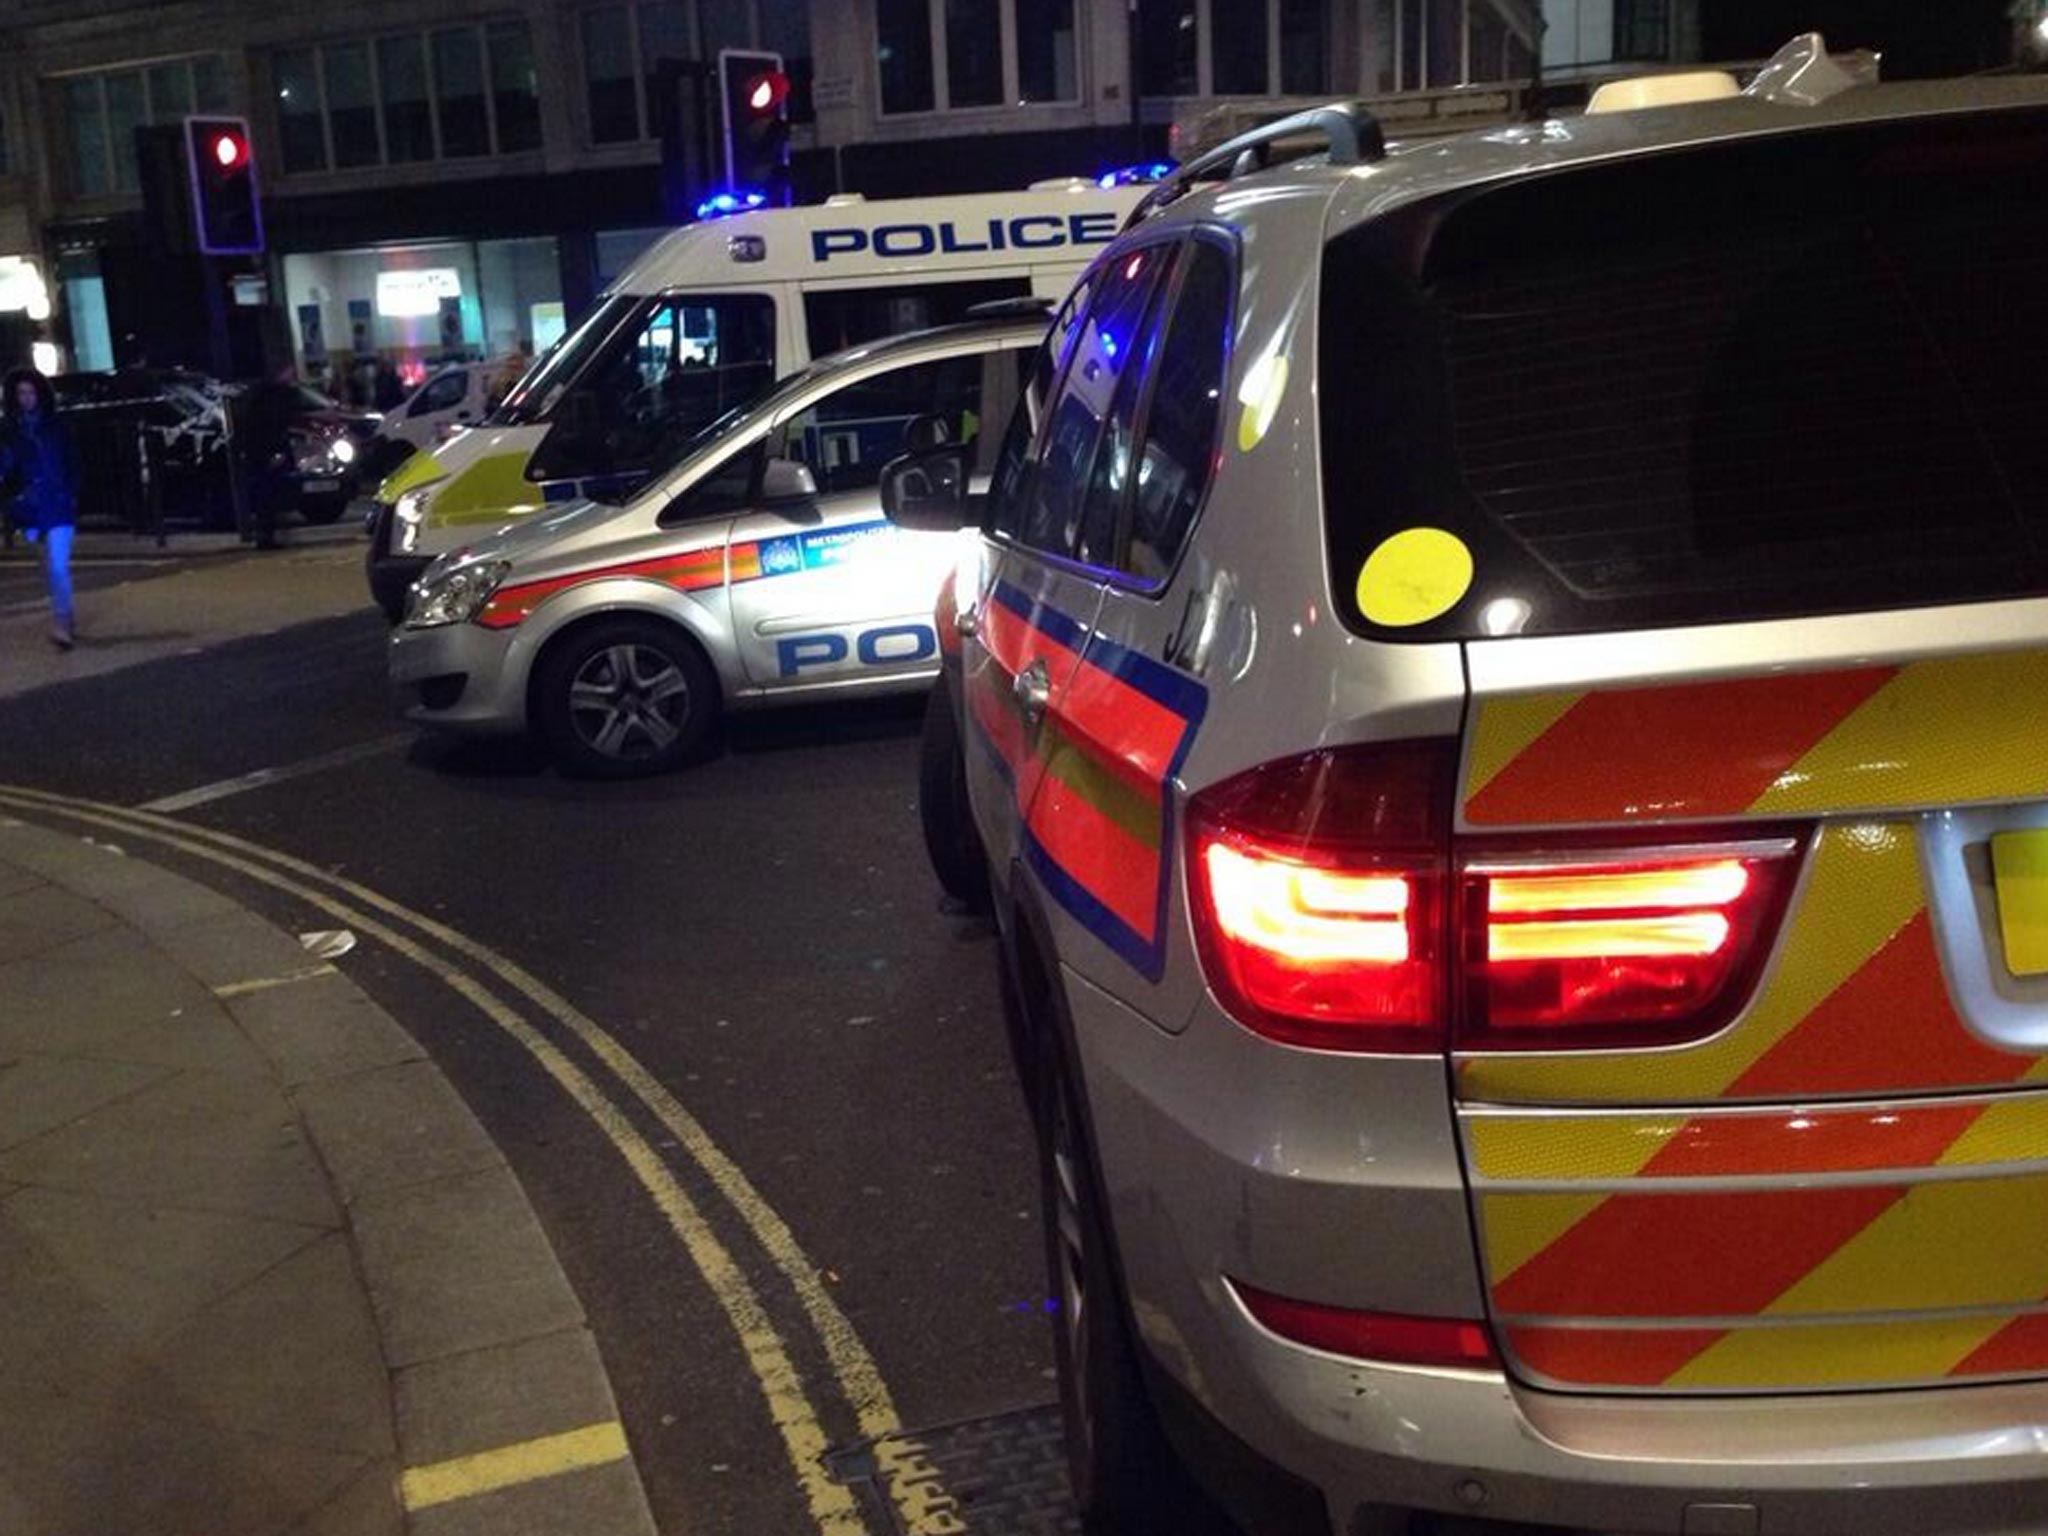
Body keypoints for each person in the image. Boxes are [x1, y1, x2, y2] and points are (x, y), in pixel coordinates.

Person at [0, 367, 79, 649]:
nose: (26, 398)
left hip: (56, 502)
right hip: (30, 506)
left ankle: (62, 622)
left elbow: (72, 462)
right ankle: (66, 615)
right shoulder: (10, 431)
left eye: (31, 392)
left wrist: (70, 493)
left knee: (57, 565)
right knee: (49, 565)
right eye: (21, 393)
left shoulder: (56, 426)